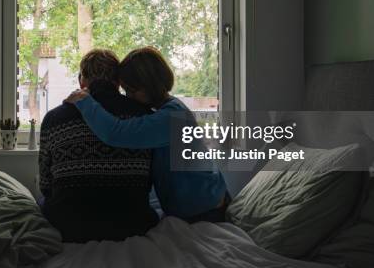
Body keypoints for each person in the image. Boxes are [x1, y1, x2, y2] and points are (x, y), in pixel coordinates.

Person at [65, 46, 230, 223]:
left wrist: (84, 100)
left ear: (149, 86)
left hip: (207, 209)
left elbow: (115, 132)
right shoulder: (167, 110)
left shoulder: (171, 118)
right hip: (198, 204)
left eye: (131, 90)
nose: (128, 96)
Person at [39, 49, 158, 243]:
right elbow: (152, 178)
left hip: (68, 226)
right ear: (118, 82)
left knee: (41, 203)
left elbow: (46, 185)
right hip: (132, 224)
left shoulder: (54, 119)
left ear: (81, 81)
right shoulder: (144, 115)